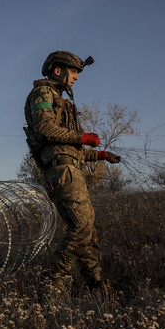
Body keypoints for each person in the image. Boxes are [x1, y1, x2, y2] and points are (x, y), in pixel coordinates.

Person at [23, 51, 122, 291]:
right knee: (81, 227)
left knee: (87, 228)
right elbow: (46, 130)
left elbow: (69, 147)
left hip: (70, 167)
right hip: (62, 171)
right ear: (58, 70)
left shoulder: (61, 100)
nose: (76, 78)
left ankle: (96, 283)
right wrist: (84, 137)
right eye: (74, 71)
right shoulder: (42, 94)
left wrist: (100, 155)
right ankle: (54, 279)